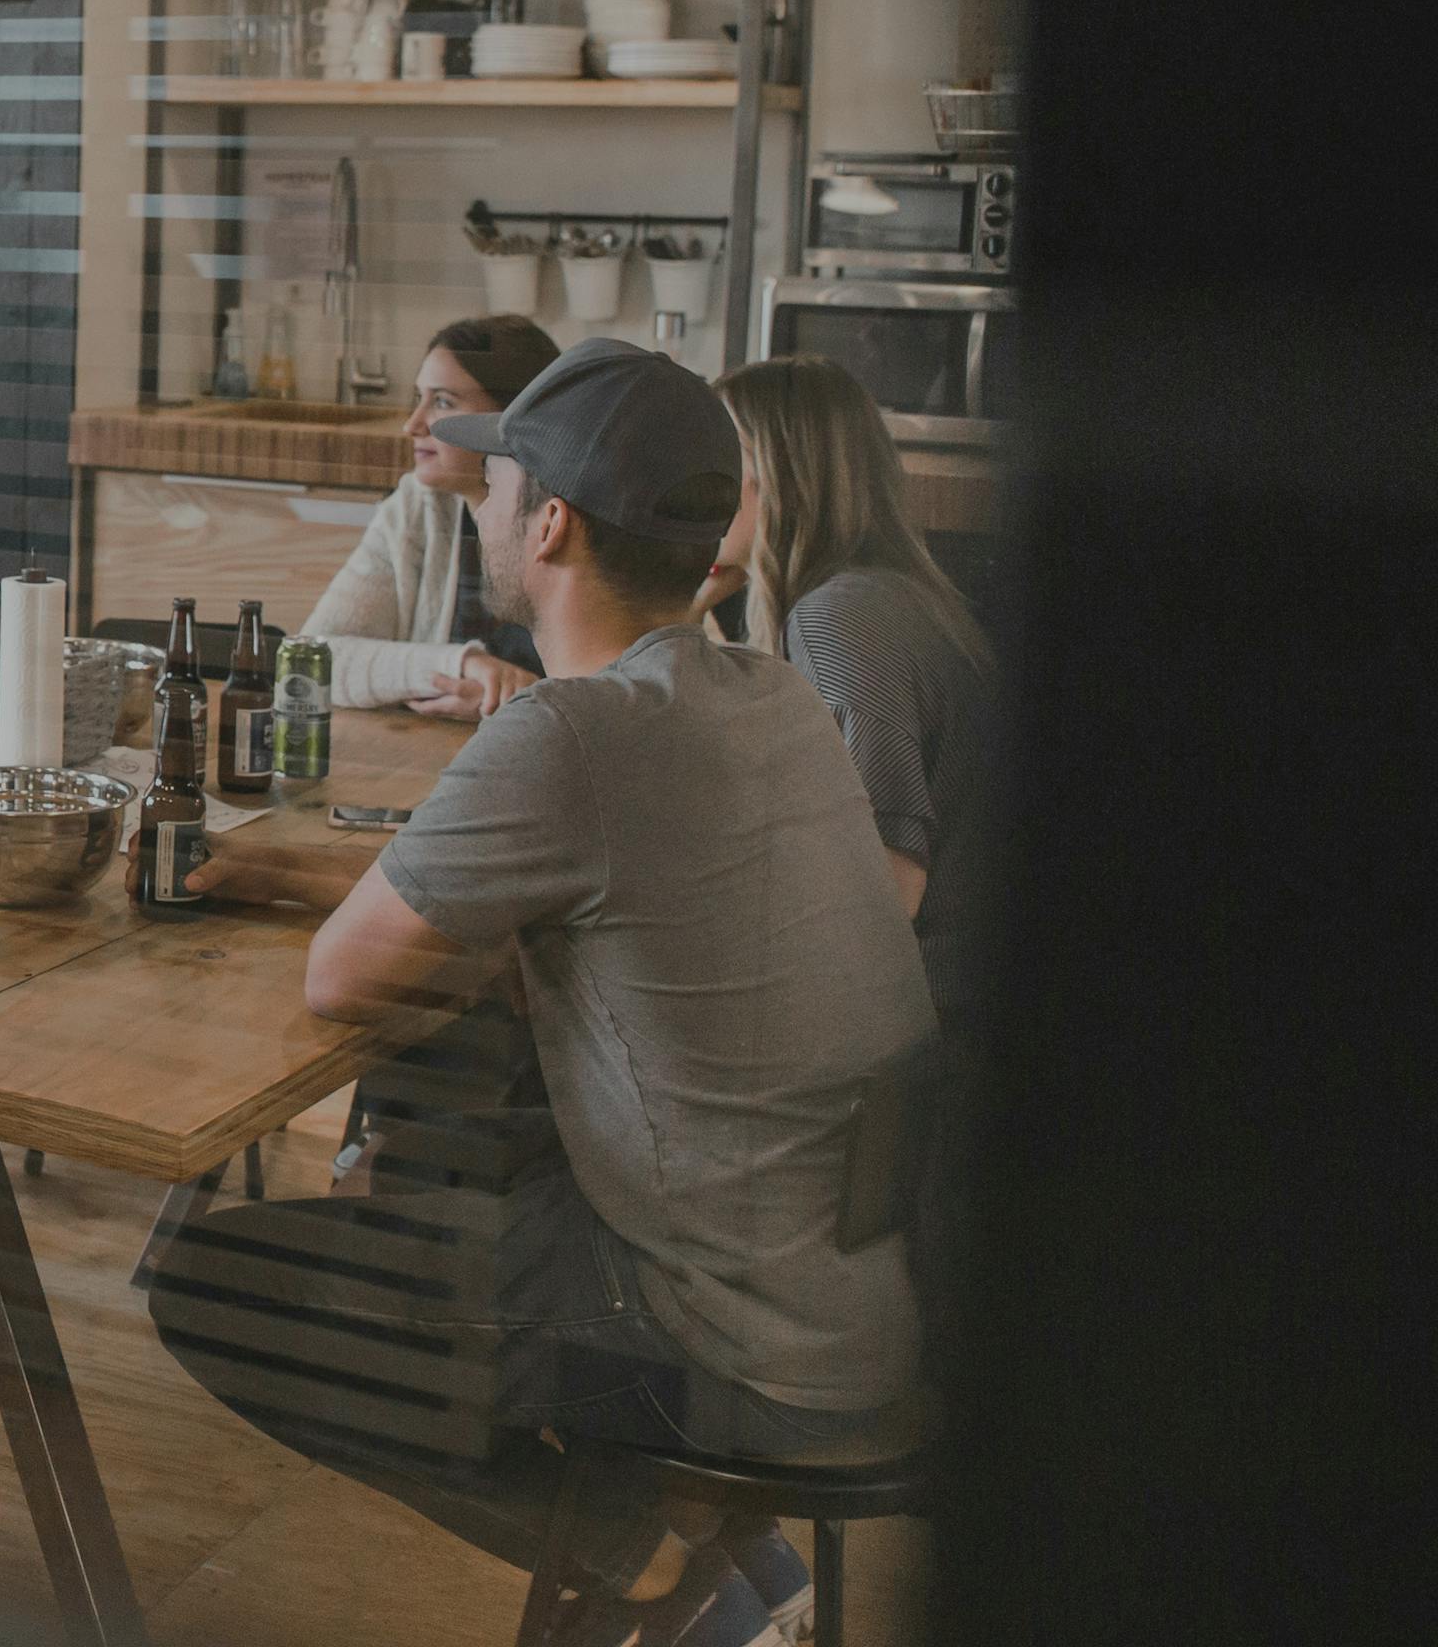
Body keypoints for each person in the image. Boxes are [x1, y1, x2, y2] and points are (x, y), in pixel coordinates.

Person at [153, 341, 935, 1647]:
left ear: (552, 524)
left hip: (730, 1356)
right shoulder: (771, 694)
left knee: (213, 1282)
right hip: (858, 1304)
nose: (489, 498)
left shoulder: (573, 733)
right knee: (466, 1137)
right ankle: (722, 1570)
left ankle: (639, 1553)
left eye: (508, 476)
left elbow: (341, 976)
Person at [708, 354, 1000, 1018]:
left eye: (718, 455)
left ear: (778, 473)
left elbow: (883, 895)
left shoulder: (842, 617)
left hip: (926, 1027)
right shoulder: (879, 595)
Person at [300, 313, 558, 720]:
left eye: (441, 402)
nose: (411, 424)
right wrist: (463, 665)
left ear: (512, 418)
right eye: (418, 398)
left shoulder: (572, 522)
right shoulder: (416, 507)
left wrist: (508, 703)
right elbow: (310, 661)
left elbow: (612, 692)